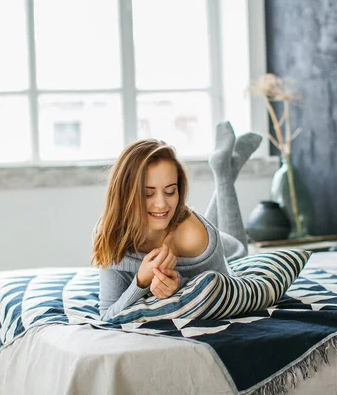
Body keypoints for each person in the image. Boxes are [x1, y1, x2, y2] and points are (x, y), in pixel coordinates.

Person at [92, 122, 262, 321]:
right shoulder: (111, 232)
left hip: (228, 251)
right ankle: (227, 168)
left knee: (237, 245)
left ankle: (224, 172)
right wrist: (141, 281)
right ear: (125, 195)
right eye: (148, 194)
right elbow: (107, 315)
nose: (161, 204)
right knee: (203, 223)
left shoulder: (194, 237)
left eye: (170, 191)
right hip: (195, 230)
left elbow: (227, 293)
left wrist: (179, 284)